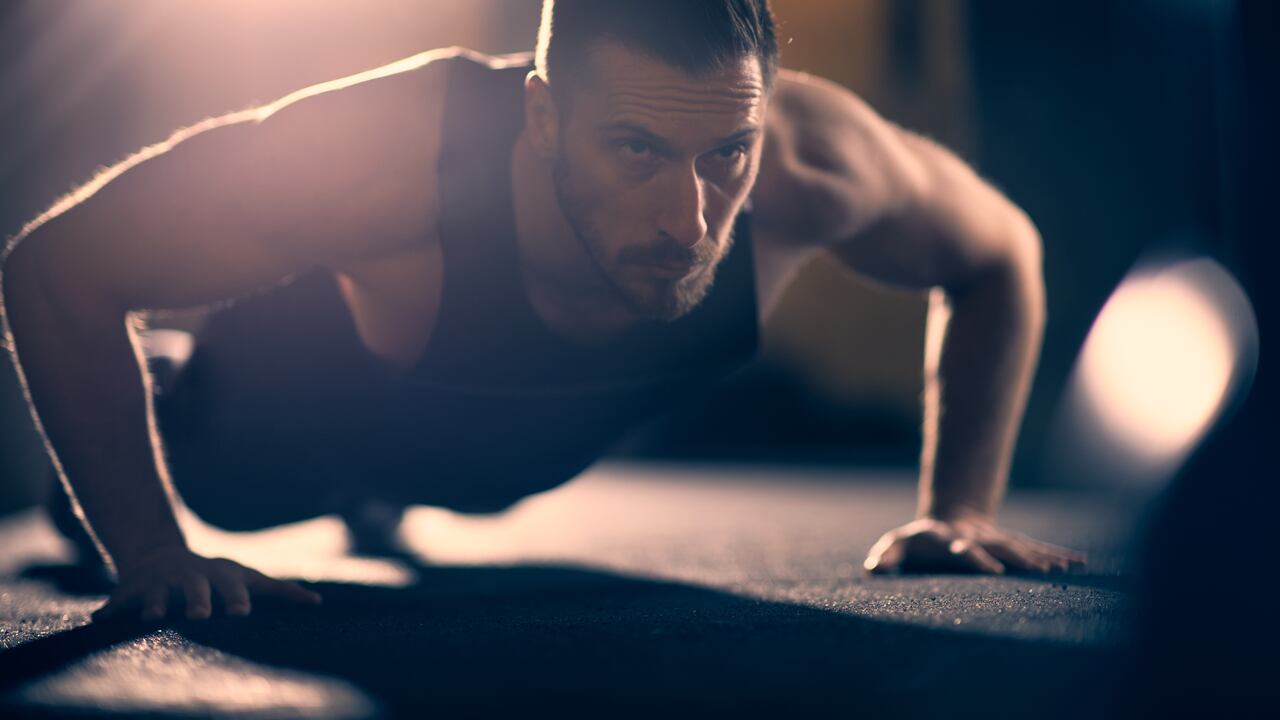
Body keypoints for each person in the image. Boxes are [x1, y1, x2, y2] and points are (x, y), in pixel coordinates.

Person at [0, 0, 1084, 622]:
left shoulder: (814, 162)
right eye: (635, 150)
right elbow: (54, 269)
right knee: (231, 490)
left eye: (726, 154)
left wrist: (960, 509)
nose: (689, 219)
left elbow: (1001, 255)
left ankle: (381, 502)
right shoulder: (385, 156)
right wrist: (148, 550)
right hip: (264, 430)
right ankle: (171, 386)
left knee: (480, 491)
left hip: (497, 459)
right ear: (541, 117)